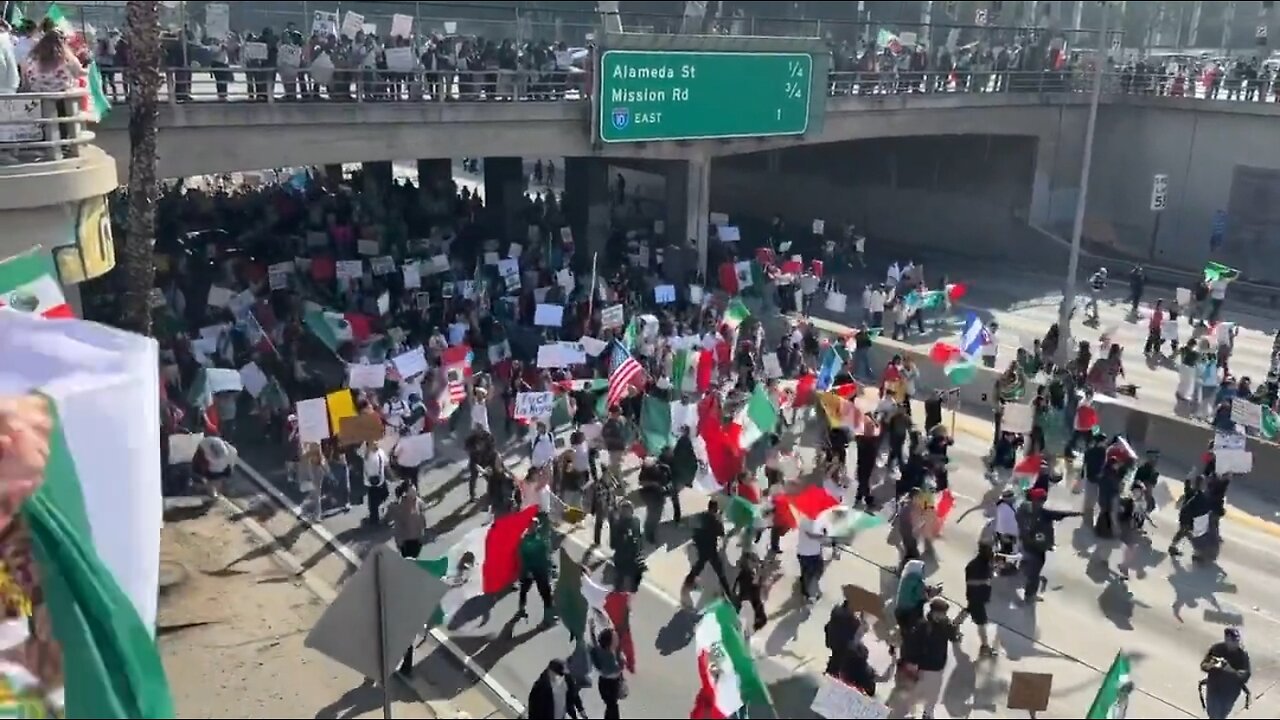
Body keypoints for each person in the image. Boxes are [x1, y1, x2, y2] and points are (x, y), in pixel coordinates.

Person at [901, 598, 961, 719]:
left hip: (938, 667)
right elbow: (912, 645)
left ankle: (927, 714)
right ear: (932, 612)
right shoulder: (923, 626)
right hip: (924, 667)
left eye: (943, 614)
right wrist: (912, 664)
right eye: (938, 613)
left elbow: (953, 636)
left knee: (933, 694)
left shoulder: (945, 624)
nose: (941, 616)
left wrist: (957, 627)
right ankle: (908, 714)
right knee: (915, 693)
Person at [682, 499, 734, 603]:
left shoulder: (702, 516)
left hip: (702, 546)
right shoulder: (716, 521)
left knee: (699, 566)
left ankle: (687, 584)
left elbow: (693, 528)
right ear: (716, 508)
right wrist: (720, 520)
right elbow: (721, 533)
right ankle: (728, 593)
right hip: (711, 548)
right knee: (720, 572)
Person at [1201, 627, 1251, 719]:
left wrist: (1231, 670)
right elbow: (1203, 665)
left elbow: (1246, 675)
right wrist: (1210, 665)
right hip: (1214, 687)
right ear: (1226, 639)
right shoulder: (1217, 649)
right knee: (1213, 713)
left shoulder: (1242, 655)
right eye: (1231, 640)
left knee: (1221, 714)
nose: (1235, 643)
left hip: (1230, 691)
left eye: (1236, 641)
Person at [516, 512, 555, 624]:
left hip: (541, 570)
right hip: (530, 569)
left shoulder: (542, 538)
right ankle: (521, 609)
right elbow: (523, 556)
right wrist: (526, 571)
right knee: (524, 589)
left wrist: (552, 568)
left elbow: (547, 554)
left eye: (535, 525)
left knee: (545, 593)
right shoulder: (526, 540)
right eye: (531, 525)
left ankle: (548, 618)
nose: (532, 527)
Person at [964, 543, 998, 657]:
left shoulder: (985, 562)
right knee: (982, 622)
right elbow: (969, 582)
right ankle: (985, 647)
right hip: (976, 597)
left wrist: (994, 568)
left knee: (968, 610)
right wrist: (984, 582)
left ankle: (953, 626)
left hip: (978, 597)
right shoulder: (974, 566)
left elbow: (989, 573)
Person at [590, 627, 626, 720]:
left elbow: (594, 645)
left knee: (611, 706)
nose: (617, 640)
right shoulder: (609, 656)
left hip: (609, 683)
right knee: (612, 707)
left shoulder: (605, 651)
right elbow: (616, 669)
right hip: (609, 684)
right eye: (615, 639)